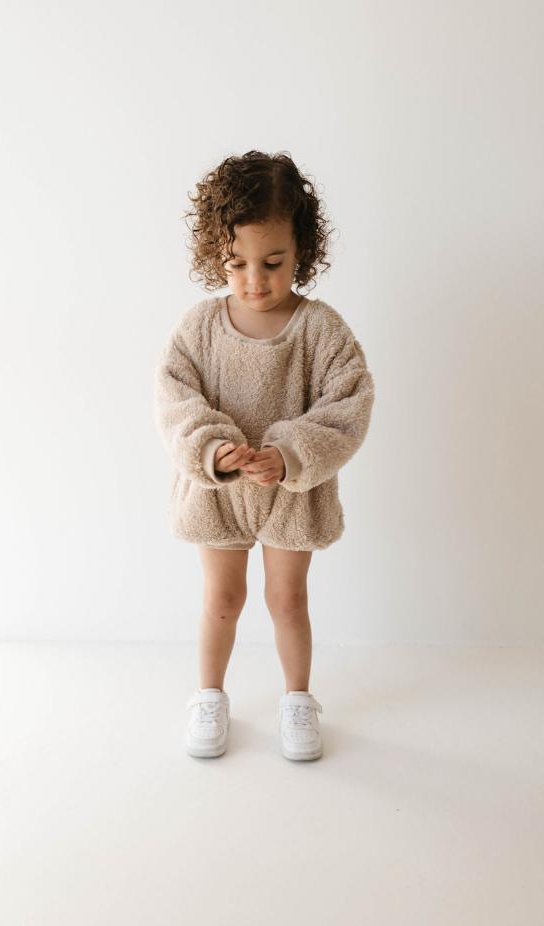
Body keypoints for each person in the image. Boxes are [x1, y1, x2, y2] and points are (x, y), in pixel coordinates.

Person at [153, 150, 375, 761]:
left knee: (288, 600)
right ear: (214, 257)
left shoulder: (321, 330)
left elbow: (349, 403)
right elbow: (173, 396)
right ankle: (209, 695)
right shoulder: (199, 327)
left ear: (301, 249)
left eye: (272, 262)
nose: (255, 278)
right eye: (237, 263)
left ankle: (298, 700)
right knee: (221, 600)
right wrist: (210, 448)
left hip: (290, 493)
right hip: (218, 492)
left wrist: (292, 452)